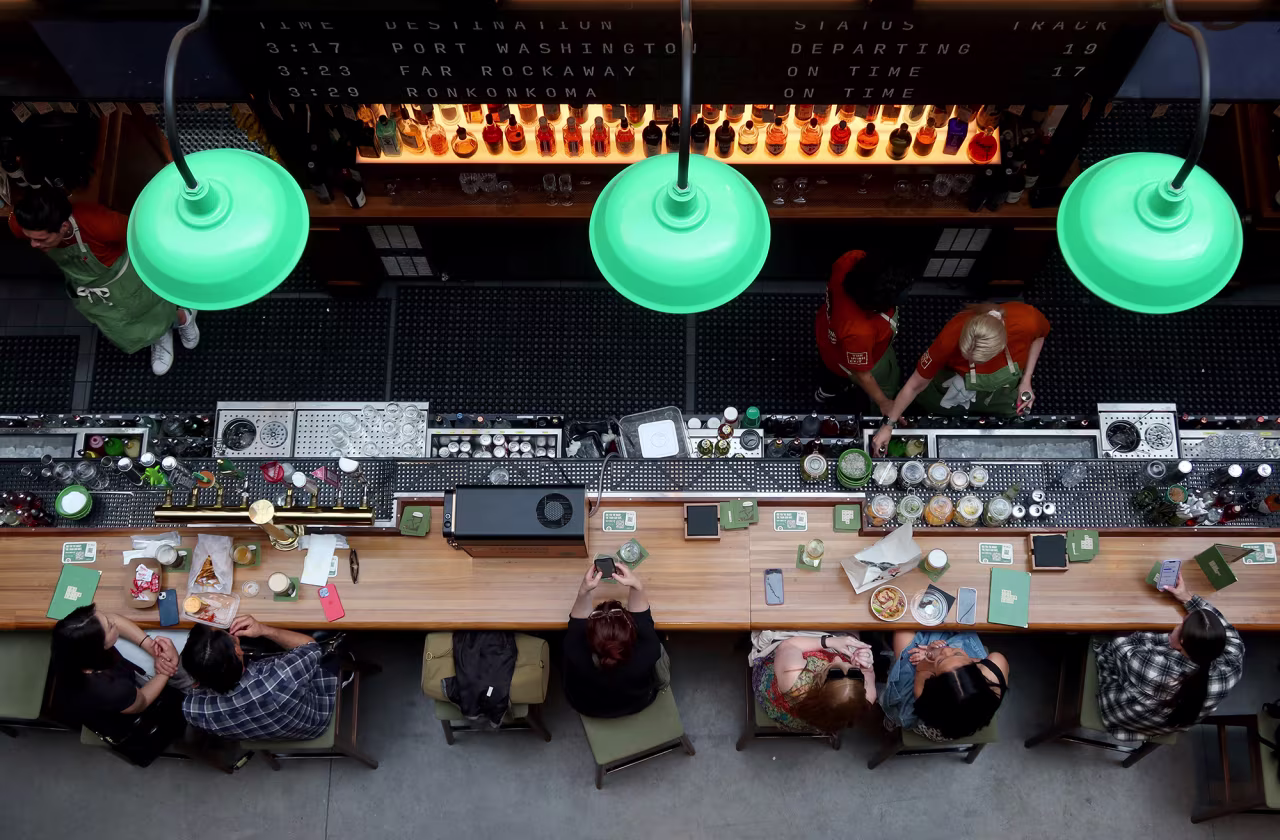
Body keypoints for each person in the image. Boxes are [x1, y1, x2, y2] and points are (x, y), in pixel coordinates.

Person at [8, 191, 200, 375]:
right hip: (91, 289)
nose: (33, 245)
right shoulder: (22, 223)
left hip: (125, 277)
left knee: (155, 309)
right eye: (30, 238)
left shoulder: (102, 224)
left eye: (41, 239)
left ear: (64, 226)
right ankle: (159, 336)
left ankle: (184, 317)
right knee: (122, 323)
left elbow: (143, 233)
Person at [871, 301, 1049, 454]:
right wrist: (888, 425)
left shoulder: (1027, 320)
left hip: (1002, 389)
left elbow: (1039, 337)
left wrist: (1026, 380)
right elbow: (915, 385)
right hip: (957, 384)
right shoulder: (951, 335)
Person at [1094, 571, 1244, 741]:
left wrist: (1168, 640)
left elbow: (1121, 645)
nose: (1178, 624)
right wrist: (1186, 597)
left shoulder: (1151, 669)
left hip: (1122, 717)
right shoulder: (1232, 665)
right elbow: (1227, 630)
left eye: (1182, 624)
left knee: (1111, 639)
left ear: (1181, 641)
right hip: (1167, 724)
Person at [181, 615, 337, 741]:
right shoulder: (280, 677)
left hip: (273, 733)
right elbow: (311, 647)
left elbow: (194, 690)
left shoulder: (193, 710)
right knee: (332, 646)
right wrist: (264, 629)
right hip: (315, 722)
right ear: (237, 650)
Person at [50, 604, 188, 740]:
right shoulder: (111, 689)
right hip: (129, 717)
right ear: (100, 647)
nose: (113, 622)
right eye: (110, 626)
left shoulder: (69, 648)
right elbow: (143, 700)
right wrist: (168, 666)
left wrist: (152, 648)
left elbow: (114, 619)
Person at [814, 250, 914, 414]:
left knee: (828, 370)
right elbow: (862, 374)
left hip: (827, 336)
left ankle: (827, 390)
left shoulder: (849, 261)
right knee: (882, 381)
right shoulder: (860, 332)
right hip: (849, 360)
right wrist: (883, 402)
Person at [563, 562, 666, 718]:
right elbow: (644, 620)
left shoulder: (574, 650)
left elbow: (577, 623)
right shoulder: (649, 649)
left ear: (589, 633)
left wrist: (584, 590)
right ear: (632, 629)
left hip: (587, 706)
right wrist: (636, 585)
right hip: (637, 703)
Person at [880, 630, 1009, 741]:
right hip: (967, 716)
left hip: (935, 721)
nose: (946, 649)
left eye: (940, 660)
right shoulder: (995, 666)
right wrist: (943, 660)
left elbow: (920, 670)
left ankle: (892, 719)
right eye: (958, 653)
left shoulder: (925, 697)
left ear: (932, 682)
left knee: (904, 643)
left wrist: (928, 656)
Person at [751, 633, 876, 734]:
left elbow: (787, 645)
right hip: (820, 721)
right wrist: (865, 664)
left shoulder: (794, 679)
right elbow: (868, 672)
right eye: (855, 672)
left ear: (820, 683)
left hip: (782, 684)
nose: (837, 658)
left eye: (833, 667)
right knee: (853, 634)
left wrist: (828, 641)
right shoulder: (867, 698)